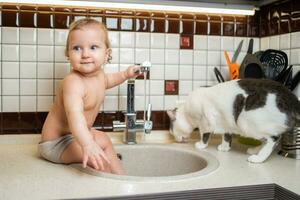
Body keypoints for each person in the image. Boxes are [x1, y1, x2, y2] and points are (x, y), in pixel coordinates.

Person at [38, 18, 140, 175]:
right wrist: (87, 144)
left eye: (93, 47)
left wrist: (126, 74)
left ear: (107, 54)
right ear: (68, 54)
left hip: (75, 136)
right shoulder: (73, 82)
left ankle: (123, 177)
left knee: (104, 140)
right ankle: (114, 188)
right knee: (99, 160)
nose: (85, 54)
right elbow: (75, 117)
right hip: (57, 143)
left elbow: (110, 80)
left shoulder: (100, 76)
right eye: (77, 48)